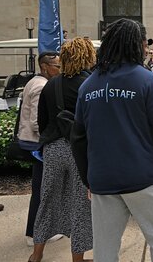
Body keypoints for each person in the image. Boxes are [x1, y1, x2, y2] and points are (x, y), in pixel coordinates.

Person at [71, 19, 153, 261]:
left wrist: (88, 178)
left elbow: (78, 138)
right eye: (144, 44)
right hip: (144, 177)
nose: (145, 50)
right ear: (137, 44)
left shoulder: (88, 86)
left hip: (102, 180)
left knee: (104, 249)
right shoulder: (146, 80)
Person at [29, 38, 96, 262]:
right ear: (86, 56)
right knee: (80, 205)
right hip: (79, 151)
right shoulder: (90, 84)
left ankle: (36, 254)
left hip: (53, 149)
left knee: (47, 200)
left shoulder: (51, 84)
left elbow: (42, 121)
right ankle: (77, 259)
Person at [17, 51, 63, 247]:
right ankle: (35, 234)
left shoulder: (35, 82)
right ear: (45, 66)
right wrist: (51, 137)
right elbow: (37, 122)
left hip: (35, 142)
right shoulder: (40, 86)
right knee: (42, 189)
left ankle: (38, 231)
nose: (60, 70)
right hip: (37, 144)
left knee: (42, 188)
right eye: (57, 67)